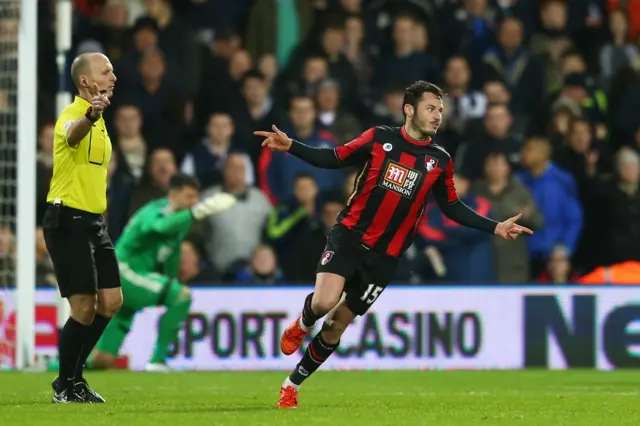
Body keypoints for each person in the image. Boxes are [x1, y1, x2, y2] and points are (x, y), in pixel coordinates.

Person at [254, 80, 534, 409]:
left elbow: (452, 206)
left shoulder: (439, 160)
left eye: (441, 110)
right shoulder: (378, 139)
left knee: (336, 325)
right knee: (323, 302)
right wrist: (291, 146)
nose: (437, 116)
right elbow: (334, 157)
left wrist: (495, 226)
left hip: (385, 257)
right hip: (349, 237)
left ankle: (292, 384)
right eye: (431, 108)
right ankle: (301, 324)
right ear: (409, 109)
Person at [90, 174, 236, 371]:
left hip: (136, 276)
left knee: (102, 360)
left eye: (195, 197)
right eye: (189, 197)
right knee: (182, 297)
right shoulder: (154, 210)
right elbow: (158, 227)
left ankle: (58, 366)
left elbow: (172, 250)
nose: (193, 202)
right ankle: (157, 360)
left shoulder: (182, 219)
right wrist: (197, 212)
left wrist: (171, 279)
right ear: (173, 195)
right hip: (124, 272)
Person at [42, 52, 122, 403]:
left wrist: (96, 115)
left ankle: (74, 377)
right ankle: (66, 383)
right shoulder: (73, 115)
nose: (113, 76)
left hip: (94, 222)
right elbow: (72, 136)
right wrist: (90, 114)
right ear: (86, 82)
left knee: (111, 301)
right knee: (84, 308)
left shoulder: (101, 119)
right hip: (68, 219)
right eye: (106, 72)